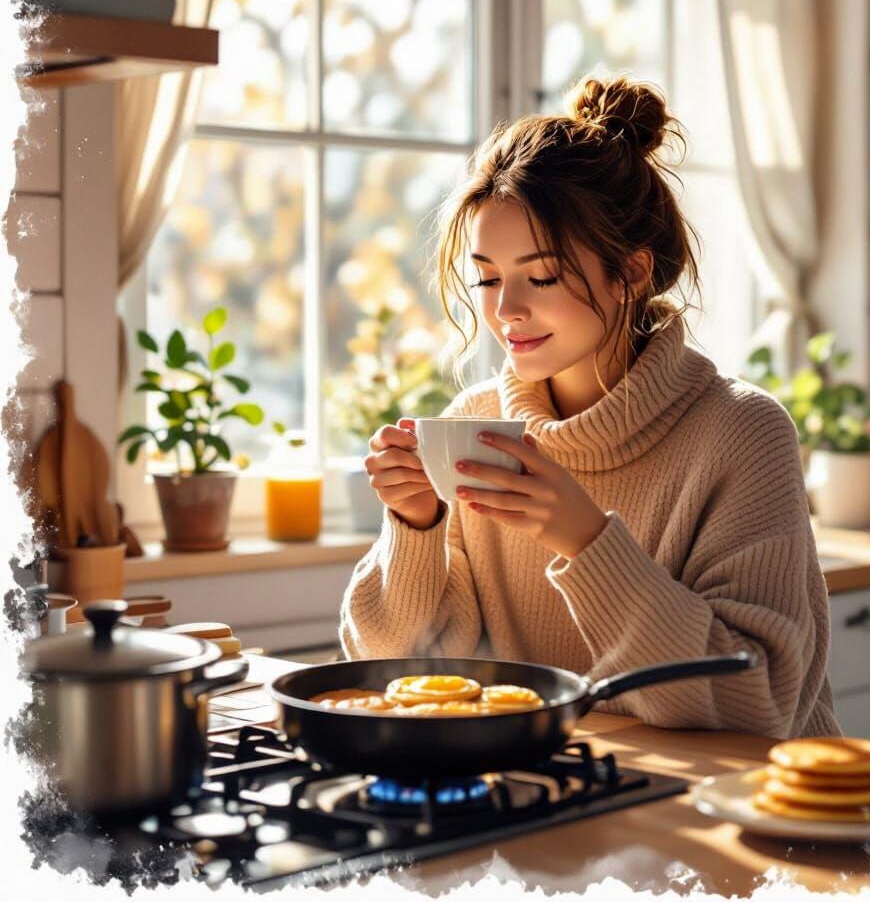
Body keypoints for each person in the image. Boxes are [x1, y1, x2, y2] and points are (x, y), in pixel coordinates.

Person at [340, 73, 840, 738]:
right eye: (487, 279)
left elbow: (754, 702)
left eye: (541, 276)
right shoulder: (471, 428)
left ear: (631, 272)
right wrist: (415, 525)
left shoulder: (742, 433)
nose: (506, 309)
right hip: (567, 784)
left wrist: (585, 540)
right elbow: (390, 673)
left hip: (743, 796)